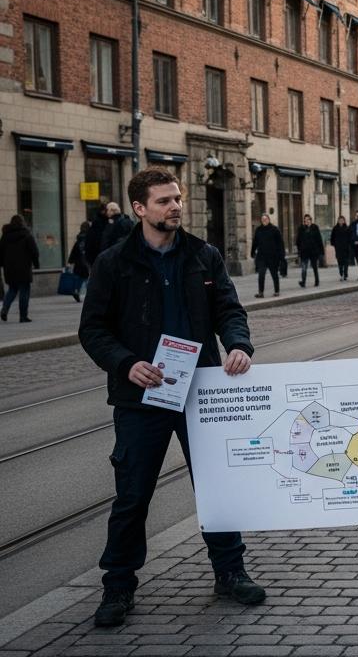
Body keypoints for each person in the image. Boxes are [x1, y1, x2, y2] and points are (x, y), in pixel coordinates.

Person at [79, 168, 263, 628]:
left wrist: (238, 344)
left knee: (217, 487)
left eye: (177, 199)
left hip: (200, 390)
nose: (175, 207)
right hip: (143, 394)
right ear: (140, 209)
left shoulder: (203, 255)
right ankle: (118, 587)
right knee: (133, 494)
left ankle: (230, 571)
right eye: (163, 201)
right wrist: (126, 363)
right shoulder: (113, 262)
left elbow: (228, 309)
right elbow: (93, 329)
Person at [0, 215, 40, 322]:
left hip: (9, 269)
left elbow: (0, 252)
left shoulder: (5, 235)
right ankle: (23, 316)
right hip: (24, 268)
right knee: (24, 291)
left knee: (12, 290)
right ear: (22, 222)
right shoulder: (27, 234)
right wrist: (36, 265)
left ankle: (4, 309)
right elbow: (34, 252)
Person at [251, 214, 284, 298]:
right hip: (262, 256)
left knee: (274, 274)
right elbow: (255, 242)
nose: (264, 220)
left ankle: (277, 291)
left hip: (273, 257)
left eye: (265, 219)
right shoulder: (258, 230)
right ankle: (260, 292)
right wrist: (252, 252)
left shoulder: (274, 229)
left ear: (269, 219)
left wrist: (281, 256)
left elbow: (280, 243)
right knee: (261, 275)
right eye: (262, 219)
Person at [68, 221, 92, 302]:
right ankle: (89, 293)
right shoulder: (88, 238)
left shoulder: (79, 238)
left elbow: (74, 250)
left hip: (78, 262)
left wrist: (70, 261)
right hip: (86, 262)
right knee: (87, 278)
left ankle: (76, 290)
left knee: (80, 278)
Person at [296, 214, 323, 288]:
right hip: (304, 252)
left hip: (313, 251)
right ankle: (303, 282)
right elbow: (298, 240)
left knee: (314, 267)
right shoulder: (301, 228)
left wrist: (321, 252)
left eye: (308, 220)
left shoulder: (315, 227)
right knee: (304, 267)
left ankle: (317, 281)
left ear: (311, 220)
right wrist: (299, 250)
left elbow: (319, 239)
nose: (306, 221)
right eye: (305, 220)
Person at [330, 216, 353, 281]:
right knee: (339, 262)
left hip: (346, 248)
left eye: (342, 220)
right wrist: (334, 244)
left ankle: (345, 274)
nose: (341, 221)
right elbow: (332, 237)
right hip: (338, 248)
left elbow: (350, 237)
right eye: (340, 220)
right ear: (338, 221)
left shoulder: (347, 228)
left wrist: (349, 245)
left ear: (344, 221)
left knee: (346, 262)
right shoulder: (335, 228)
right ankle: (341, 273)